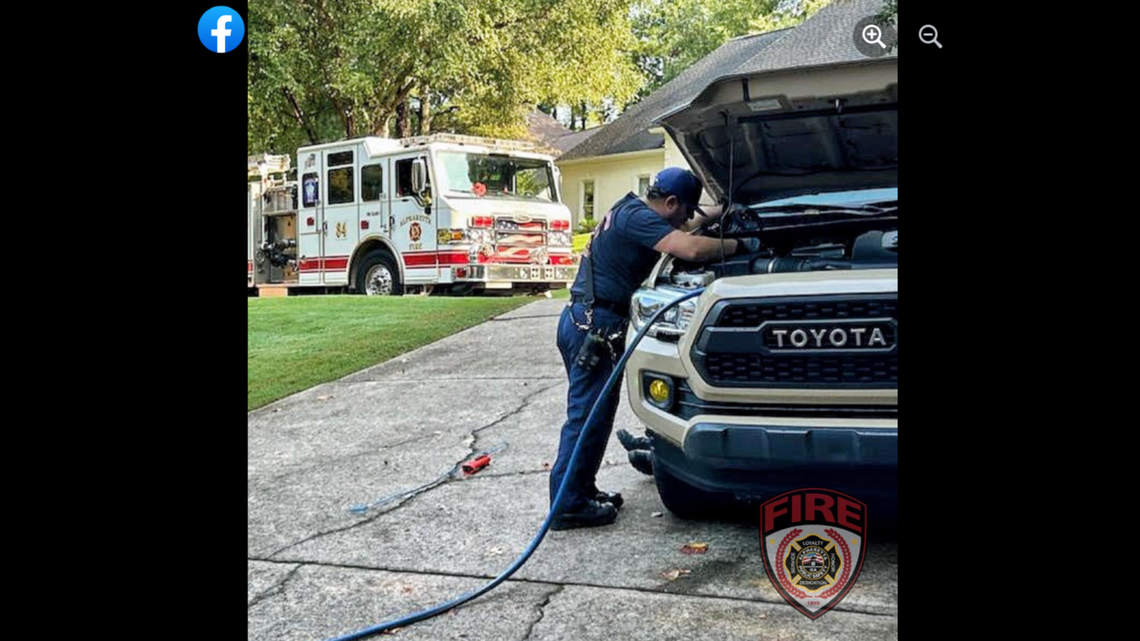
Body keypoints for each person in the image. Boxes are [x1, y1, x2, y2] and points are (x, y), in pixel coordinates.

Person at [549, 167, 759, 530]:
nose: (685, 221)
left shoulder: (631, 208)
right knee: (586, 418)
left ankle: (582, 491)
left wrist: (724, 210)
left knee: (595, 417)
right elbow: (691, 248)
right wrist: (741, 246)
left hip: (587, 321)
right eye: (684, 212)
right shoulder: (639, 219)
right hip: (593, 327)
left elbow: (689, 225)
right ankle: (568, 505)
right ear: (671, 202)